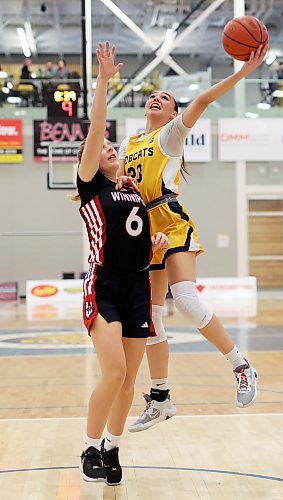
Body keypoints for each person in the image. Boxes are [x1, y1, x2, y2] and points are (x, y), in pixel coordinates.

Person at [116, 44, 268, 433]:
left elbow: (201, 99)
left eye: (165, 98)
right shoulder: (130, 144)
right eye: (152, 95)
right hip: (144, 232)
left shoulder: (170, 137)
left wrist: (241, 74)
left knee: (184, 299)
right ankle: (162, 397)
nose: (156, 98)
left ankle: (241, 365)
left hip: (170, 222)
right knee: (151, 317)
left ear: (172, 114)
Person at [74, 42, 169, 486]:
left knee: (130, 379)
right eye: (104, 147)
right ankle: (90, 447)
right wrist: (104, 80)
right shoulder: (92, 185)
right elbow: (95, 130)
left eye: (114, 146)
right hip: (104, 283)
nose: (109, 147)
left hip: (136, 283)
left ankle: (112, 449)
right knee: (113, 372)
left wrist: (156, 243)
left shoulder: (131, 188)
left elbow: (137, 241)